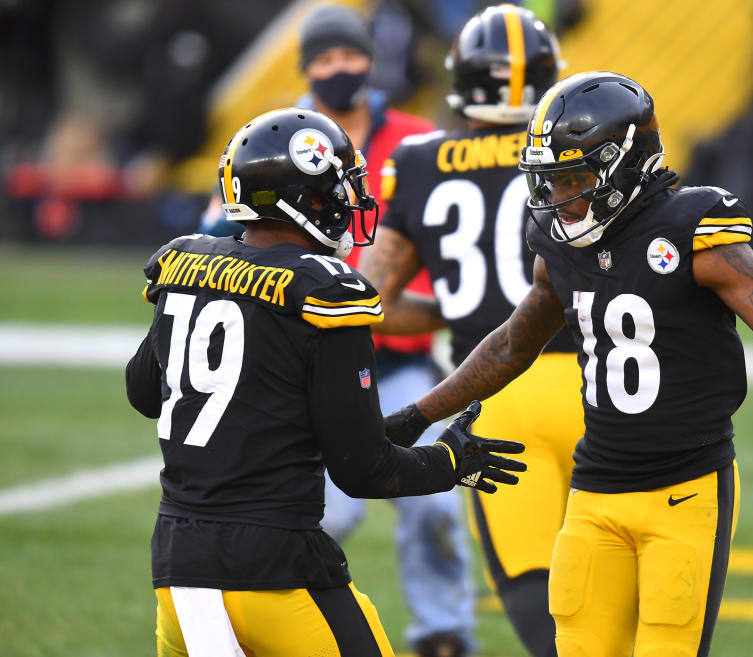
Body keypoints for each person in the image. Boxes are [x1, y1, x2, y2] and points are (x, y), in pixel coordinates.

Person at [385, 71, 753, 657]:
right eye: (549, 182)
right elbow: (511, 346)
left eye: (573, 178)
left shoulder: (694, 231)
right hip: (594, 493)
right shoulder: (557, 249)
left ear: (627, 163)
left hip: (687, 492)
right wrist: (417, 415)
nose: (557, 199)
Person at [124, 107, 525, 657]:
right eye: (337, 189)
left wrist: (410, 421)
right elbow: (363, 470)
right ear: (304, 200)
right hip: (276, 576)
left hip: (178, 575)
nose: (348, 201)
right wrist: (451, 462)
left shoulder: (186, 263)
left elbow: (143, 393)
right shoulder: (326, 290)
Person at [198, 6, 478, 655]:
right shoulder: (267, 139)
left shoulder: (413, 140)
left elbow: (449, 245)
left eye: (348, 55)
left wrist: (439, 302)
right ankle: (284, 610)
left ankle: (444, 631)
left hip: (399, 355)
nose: (338, 69)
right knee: (325, 506)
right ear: (305, 70)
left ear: (369, 59)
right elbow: (221, 229)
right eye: (323, 60)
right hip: (296, 356)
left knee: (434, 509)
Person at [362, 7, 578, 657]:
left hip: (494, 392)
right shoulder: (577, 141)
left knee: (532, 587)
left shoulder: (420, 159)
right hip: (601, 380)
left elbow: (368, 301)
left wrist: (458, 313)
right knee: (623, 573)